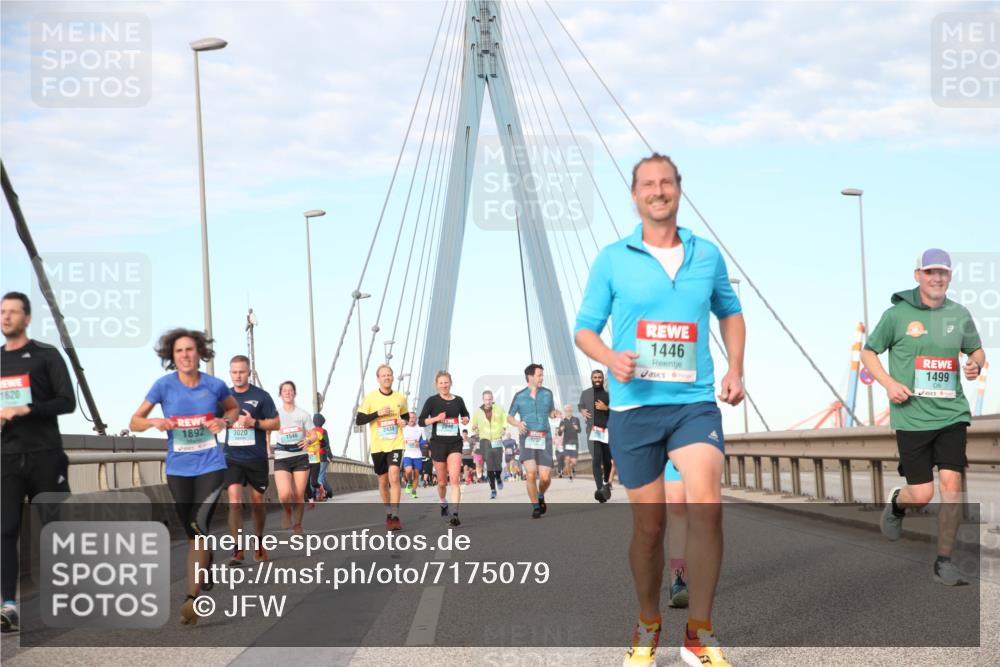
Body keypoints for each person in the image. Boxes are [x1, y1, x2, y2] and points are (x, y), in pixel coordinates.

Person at [575, 153, 745, 666]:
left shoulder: (706, 255)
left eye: (666, 182)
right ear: (634, 195)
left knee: (705, 505)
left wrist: (736, 368)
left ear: (679, 188)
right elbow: (585, 327)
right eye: (647, 184)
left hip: (693, 403)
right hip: (634, 409)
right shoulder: (612, 259)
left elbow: (730, 313)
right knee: (649, 529)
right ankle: (649, 622)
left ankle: (699, 631)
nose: (657, 190)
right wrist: (609, 357)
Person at [862, 248, 985, 586]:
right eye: (930, 272)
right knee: (922, 494)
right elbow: (869, 352)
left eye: (942, 272)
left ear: (949, 277)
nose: (937, 278)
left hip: (951, 414)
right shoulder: (896, 315)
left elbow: (976, 349)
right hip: (912, 418)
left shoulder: (959, 315)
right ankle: (898, 505)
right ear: (917, 275)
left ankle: (944, 562)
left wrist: (976, 363)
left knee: (952, 486)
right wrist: (888, 383)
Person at [130, 328, 239, 625]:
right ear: (171, 356)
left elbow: (233, 409)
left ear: (199, 353)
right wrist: (153, 421)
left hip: (211, 466)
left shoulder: (214, 385)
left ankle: (192, 599)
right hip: (178, 469)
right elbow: (134, 421)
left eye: (190, 349)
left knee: (198, 525)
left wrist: (223, 420)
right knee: (195, 533)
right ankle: (207, 562)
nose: (185, 355)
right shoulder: (163, 386)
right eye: (179, 351)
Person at [1, 292, 76, 633]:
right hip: (6, 458)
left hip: (46, 455)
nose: (6, 317)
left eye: (13, 312)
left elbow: (67, 402)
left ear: (27, 318)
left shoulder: (46, 356)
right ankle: (9, 605)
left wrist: (27, 409)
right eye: (2, 312)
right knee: (5, 530)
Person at [223, 355, 279, 566]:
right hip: (232, 457)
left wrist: (253, 422)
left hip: (256, 458)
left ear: (249, 372)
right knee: (235, 501)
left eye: (242, 372)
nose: (238, 376)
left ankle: (259, 540)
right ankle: (237, 549)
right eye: (234, 372)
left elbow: (275, 424)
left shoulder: (261, 396)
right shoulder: (224, 397)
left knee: (257, 503)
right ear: (230, 373)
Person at [356, 364, 409, 531]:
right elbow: (359, 420)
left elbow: (406, 416)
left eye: (389, 375)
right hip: (378, 446)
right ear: (378, 378)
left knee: (394, 476)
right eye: (383, 375)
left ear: (393, 377)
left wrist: (404, 422)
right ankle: (388, 512)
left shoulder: (400, 398)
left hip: (396, 443)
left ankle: (395, 515)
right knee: (383, 480)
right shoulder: (370, 398)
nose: (387, 377)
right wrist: (377, 414)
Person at [418, 370, 470, 526]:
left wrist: (466, 419)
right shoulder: (432, 401)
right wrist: (436, 418)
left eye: (446, 382)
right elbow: (421, 421)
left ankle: (454, 513)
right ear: (436, 385)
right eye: (441, 383)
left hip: (455, 443)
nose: (444, 385)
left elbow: (465, 415)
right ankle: (443, 502)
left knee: (454, 479)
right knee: (441, 482)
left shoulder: (458, 400)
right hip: (438, 444)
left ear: (450, 383)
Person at [507, 363, 556, 519]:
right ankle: (535, 506)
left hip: (545, 438)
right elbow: (509, 417)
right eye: (539, 375)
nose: (542, 378)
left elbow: (551, 412)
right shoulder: (519, 396)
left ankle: (541, 495)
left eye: (542, 375)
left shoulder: (548, 393)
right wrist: (518, 424)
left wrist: (554, 413)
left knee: (545, 478)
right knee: (530, 473)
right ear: (530, 377)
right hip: (527, 438)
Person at [273, 381, 316, 533]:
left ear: (294, 393)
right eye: (284, 390)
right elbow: (266, 431)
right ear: (280, 394)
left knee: (298, 494)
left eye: (290, 390)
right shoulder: (275, 414)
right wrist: (266, 447)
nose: (288, 393)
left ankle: (297, 524)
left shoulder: (303, 414)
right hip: (281, 456)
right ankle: (287, 511)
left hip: (300, 456)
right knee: (284, 494)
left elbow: (314, 434)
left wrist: (308, 440)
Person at [580, 369, 613, 502]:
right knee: (596, 459)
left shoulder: (609, 395)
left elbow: (616, 412)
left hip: (606, 432)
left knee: (607, 462)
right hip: (592, 432)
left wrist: (606, 408)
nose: (597, 379)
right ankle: (600, 489)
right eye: (595, 377)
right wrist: (582, 411)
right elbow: (580, 405)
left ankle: (606, 483)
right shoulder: (586, 393)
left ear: (603, 379)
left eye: (600, 377)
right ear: (591, 379)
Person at [471, 390, 509, 499]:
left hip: (497, 439)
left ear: (492, 399)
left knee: (498, 464)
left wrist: (504, 428)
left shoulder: (499, 409)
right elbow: (473, 425)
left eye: (489, 399)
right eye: (486, 399)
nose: (488, 401)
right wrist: (475, 428)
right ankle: (493, 489)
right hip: (485, 441)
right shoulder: (478, 411)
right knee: (489, 466)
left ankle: (498, 478)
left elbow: (505, 420)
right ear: (483, 400)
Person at [402, 413, 424, 499]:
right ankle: (409, 483)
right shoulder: (403, 428)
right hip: (407, 454)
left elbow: (425, 440)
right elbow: (399, 439)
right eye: (410, 418)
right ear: (407, 419)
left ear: (416, 418)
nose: (411, 419)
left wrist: (419, 443)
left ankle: (414, 491)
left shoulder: (420, 428)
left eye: (413, 418)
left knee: (416, 474)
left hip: (417, 454)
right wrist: (402, 443)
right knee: (408, 471)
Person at [313, 413, 334, 500]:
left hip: (313, 456)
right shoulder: (323, 431)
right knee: (321, 476)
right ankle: (320, 494)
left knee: (317, 476)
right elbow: (326, 445)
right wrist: (330, 455)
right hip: (322, 455)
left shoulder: (311, 431)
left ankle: (327, 492)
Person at [559, 404, 581, 481]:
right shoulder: (562, 421)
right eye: (567, 411)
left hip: (574, 442)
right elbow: (559, 434)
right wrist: (561, 430)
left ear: (572, 411)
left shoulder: (576, 419)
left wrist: (577, 428)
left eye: (570, 410)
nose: (569, 412)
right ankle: (570, 475)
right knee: (568, 459)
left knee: (574, 462)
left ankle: (567, 468)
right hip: (566, 442)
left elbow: (579, 430)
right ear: (565, 412)